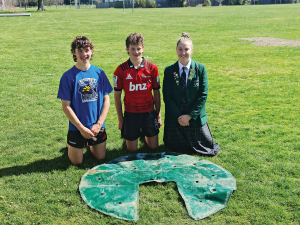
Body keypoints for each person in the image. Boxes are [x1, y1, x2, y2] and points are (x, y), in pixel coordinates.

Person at [57, 36, 113, 165]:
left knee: (100, 158)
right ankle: (71, 144)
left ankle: (89, 142)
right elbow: (66, 106)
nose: (84, 54)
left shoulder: (99, 73)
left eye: (87, 50)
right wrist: (81, 128)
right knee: (77, 162)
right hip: (77, 127)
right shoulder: (67, 76)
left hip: (96, 126)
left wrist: (99, 124)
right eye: (80, 51)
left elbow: (106, 100)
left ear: (92, 51)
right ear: (73, 52)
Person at [163, 32, 220, 156]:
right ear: (176, 50)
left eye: (186, 49)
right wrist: (180, 117)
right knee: (174, 147)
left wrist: (189, 116)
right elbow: (167, 97)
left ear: (192, 50)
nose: (183, 53)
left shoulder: (200, 69)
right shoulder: (169, 71)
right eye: (180, 49)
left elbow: (203, 95)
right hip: (175, 118)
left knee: (206, 147)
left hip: (194, 117)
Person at [113, 33, 162, 152]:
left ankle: (145, 134)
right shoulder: (120, 70)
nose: (136, 52)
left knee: (154, 148)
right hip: (131, 113)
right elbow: (117, 96)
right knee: (132, 150)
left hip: (149, 112)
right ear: (127, 49)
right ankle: (138, 133)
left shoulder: (152, 68)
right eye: (133, 49)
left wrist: (158, 114)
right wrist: (121, 118)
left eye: (139, 49)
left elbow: (156, 93)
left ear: (143, 49)